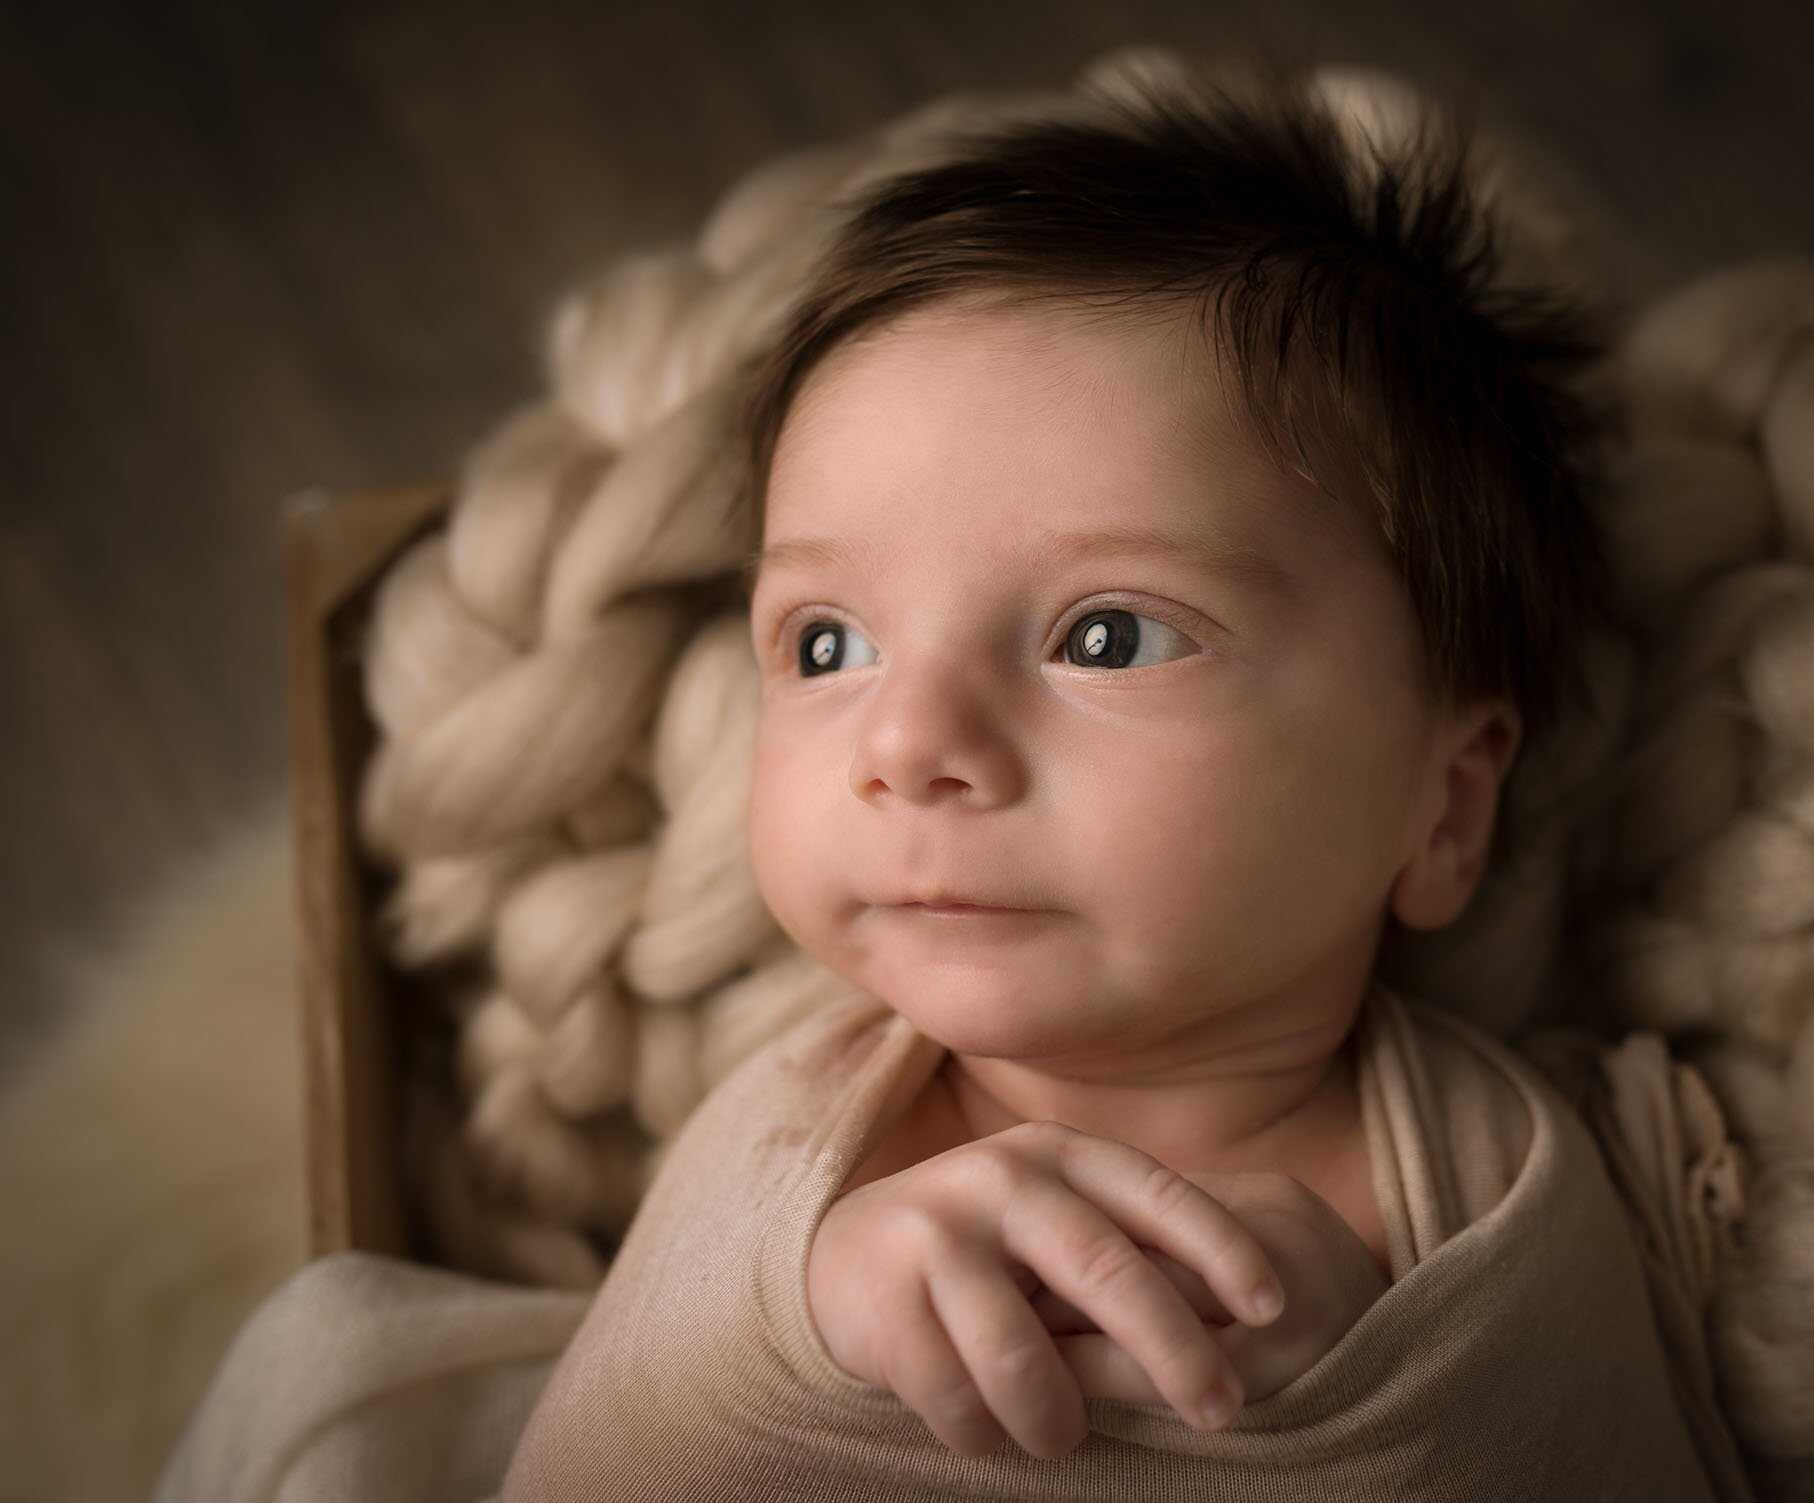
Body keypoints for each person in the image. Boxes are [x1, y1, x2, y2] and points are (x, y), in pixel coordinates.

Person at [500, 52, 1741, 1500]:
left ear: (1445, 804)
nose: (911, 746)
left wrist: (1374, 1398)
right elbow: (594, 1463)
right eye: (828, 641)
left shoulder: (1490, 1199)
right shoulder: (795, 1156)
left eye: (1108, 633)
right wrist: (810, 1321)